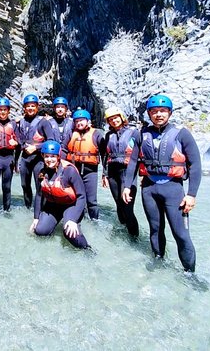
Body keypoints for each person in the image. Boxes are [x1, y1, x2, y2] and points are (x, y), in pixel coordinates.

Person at [122, 94, 201, 273]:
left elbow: (195, 165)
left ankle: (190, 273)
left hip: (173, 189)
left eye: (163, 111)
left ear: (169, 113)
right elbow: (133, 161)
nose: (159, 114)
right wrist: (127, 186)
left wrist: (191, 194)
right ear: (149, 114)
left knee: (181, 234)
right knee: (155, 229)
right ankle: (158, 259)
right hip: (149, 188)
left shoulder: (182, 134)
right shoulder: (141, 134)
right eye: (154, 111)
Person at [29, 140, 90, 249]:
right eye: (46, 156)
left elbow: (82, 196)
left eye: (53, 156)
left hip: (71, 205)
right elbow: (39, 195)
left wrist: (73, 220)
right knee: (40, 231)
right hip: (53, 205)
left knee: (70, 233)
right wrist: (36, 218)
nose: (49, 160)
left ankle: (88, 250)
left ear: (58, 156)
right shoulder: (41, 171)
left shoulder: (69, 171)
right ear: (42, 156)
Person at [16, 94, 58, 209]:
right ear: (24, 108)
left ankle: (40, 211)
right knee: (25, 185)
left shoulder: (43, 122)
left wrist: (36, 147)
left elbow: (52, 141)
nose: (30, 108)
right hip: (24, 158)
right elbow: (18, 141)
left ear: (37, 107)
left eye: (33, 106)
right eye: (28, 106)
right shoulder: (21, 122)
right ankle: (28, 207)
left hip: (38, 159)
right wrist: (15, 162)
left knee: (40, 186)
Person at [102, 106, 139, 236]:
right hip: (112, 172)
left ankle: (134, 237)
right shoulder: (108, 135)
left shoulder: (134, 132)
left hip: (128, 171)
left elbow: (141, 153)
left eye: (116, 118)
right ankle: (123, 230)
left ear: (121, 117)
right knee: (118, 203)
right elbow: (105, 156)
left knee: (127, 206)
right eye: (111, 119)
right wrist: (104, 174)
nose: (114, 121)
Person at [62, 109, 104, 220]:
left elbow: (104, 154)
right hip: (74, 171)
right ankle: (77, 219)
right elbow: (64, 150)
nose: (79, 123)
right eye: (77, 121)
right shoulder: (71, 133)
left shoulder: (96, 134)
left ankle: (94, 221)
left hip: (90, 171)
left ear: (88, 121)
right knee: (74, 197)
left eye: (82, 120)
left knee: (91, 201)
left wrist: (105, 173)